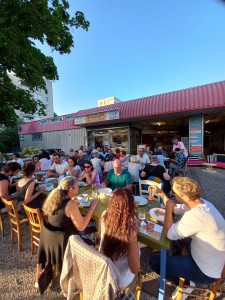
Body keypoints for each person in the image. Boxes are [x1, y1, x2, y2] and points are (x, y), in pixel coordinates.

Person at [150, 177, 225, 299]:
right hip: (209, 257)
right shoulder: (202, 203)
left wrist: (168, 207)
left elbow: (168, 233)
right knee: (176, 240)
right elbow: (177, 209)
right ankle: (175, 259)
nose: (173, 195)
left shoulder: (195, 216)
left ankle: (188, 284)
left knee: (155, 262)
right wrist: (162, 194)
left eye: (174, 193)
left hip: (205, 271)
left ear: (185, 197)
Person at [39, 176, 97, 272]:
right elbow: (81, 227)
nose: (78, 187)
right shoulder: (70, 204)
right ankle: (86, 260)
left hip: (50, 236)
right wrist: (92, 208)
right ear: (71, 189)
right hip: (65, 240)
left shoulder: (55, 197)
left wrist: (72, 204)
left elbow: (62, 213)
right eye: (77, 186)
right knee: (93, 225)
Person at [99, 188, 140, 288]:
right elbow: (135, 269)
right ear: (130, 207)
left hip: (103, 269)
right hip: (118, 281)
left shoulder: (105, 215)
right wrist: (134, 239)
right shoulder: (130, 231)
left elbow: (119, 215)